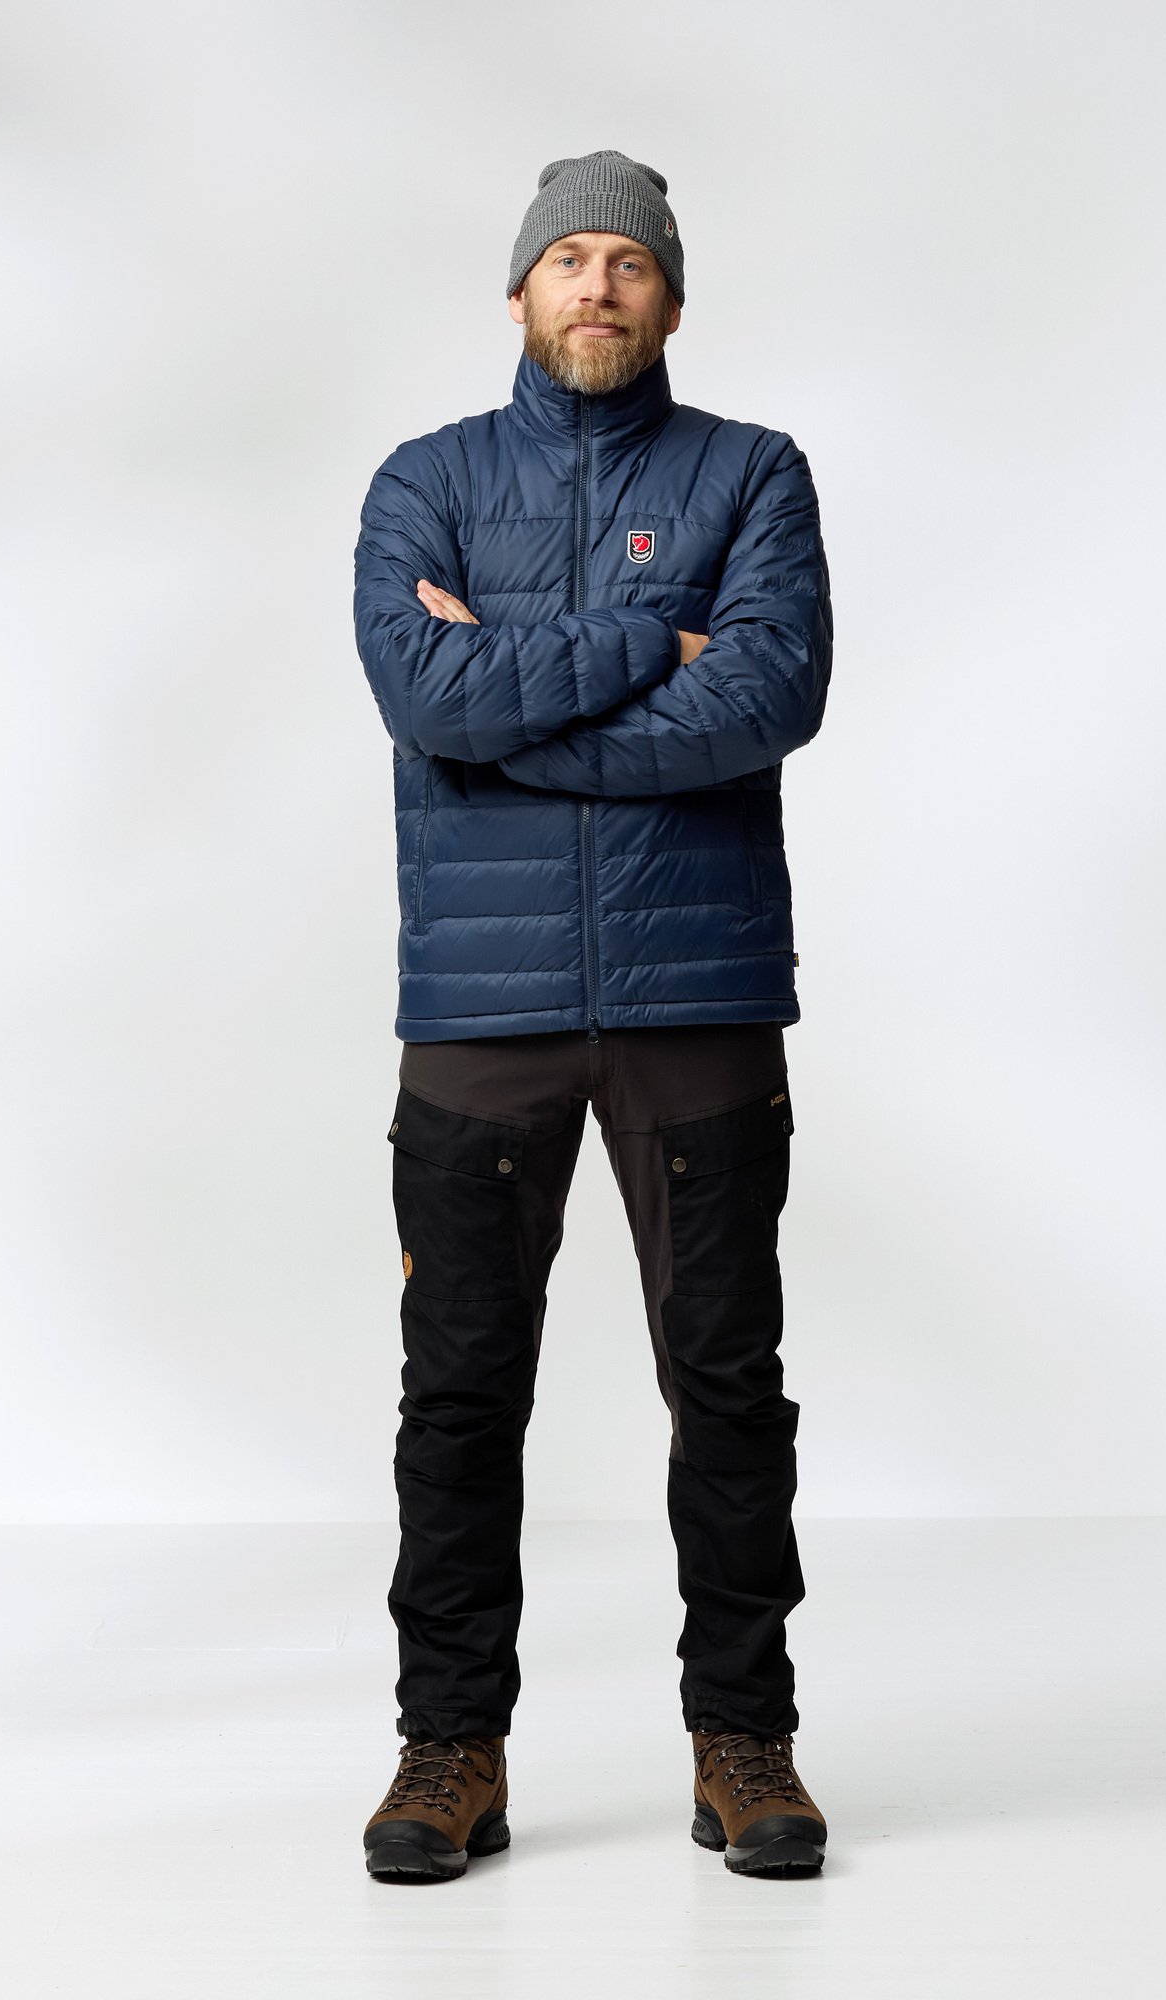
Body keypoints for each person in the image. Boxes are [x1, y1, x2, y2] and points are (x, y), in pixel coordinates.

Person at [350, 149, 834, 1883]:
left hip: (699, 997)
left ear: (673, 301)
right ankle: (449, 1752)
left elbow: (767, 695)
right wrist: (654, 641)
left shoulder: (753, 473)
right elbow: (422, 690)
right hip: (479, 1013)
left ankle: (745, 1742)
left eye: (630, 260)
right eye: (570, 258)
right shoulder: (424, 482)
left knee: (728, 1389)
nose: (599, 283)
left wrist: (508, 707)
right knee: (460, 1398)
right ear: (519, 294)